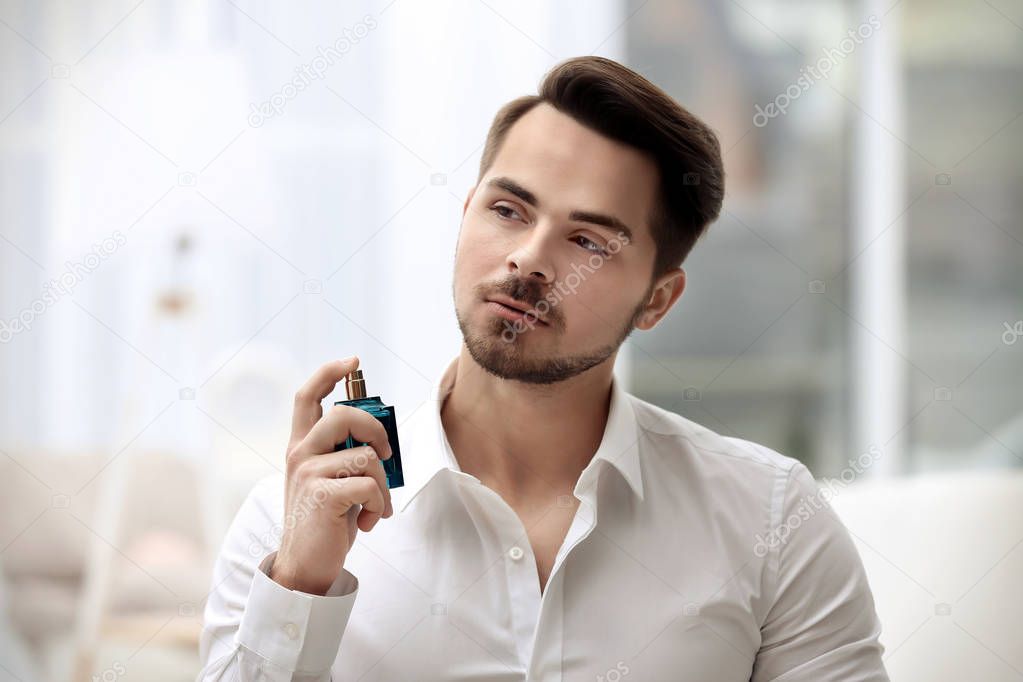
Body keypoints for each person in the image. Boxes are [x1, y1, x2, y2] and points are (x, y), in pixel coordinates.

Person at [197, 56, 887, 681]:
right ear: (466, 214)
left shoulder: (771, 518)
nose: (527, 258)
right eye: (506, 210)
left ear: (656, 299)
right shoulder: (288, 522)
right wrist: (298, 587)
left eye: (586, 241)